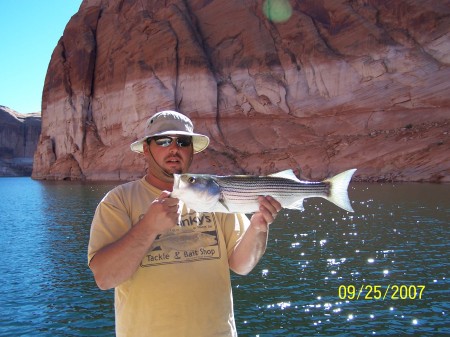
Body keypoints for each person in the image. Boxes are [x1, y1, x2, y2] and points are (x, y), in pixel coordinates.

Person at [88, 110, 281, 337]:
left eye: (182, 142)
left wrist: (259, 227)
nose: (174, 148)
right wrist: (149, 226)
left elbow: (241, 265)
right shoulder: (118, 201)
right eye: (163, 141)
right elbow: (105, 278)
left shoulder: (215, 194)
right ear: (145, 149)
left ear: (191, 151)